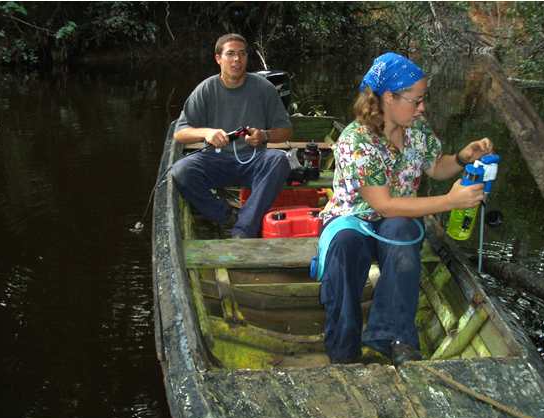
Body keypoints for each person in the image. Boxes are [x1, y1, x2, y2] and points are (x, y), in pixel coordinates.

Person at [317, 52, 494, 365]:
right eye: (417, 100)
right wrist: (450, 202)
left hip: (395, 221)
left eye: (423, 100)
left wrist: (462, 158)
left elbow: (436, 167)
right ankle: (343, 349)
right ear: (389, 97)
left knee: (402, 230)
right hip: (352, 219)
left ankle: (390, 338)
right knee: (344, 247)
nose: (422, 107)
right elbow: (383, 205)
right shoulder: (356, 140)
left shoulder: (417, 129)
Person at [171, 33, 292, 238]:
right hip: (216, 159)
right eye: (230, 54)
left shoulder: (264, 88)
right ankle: (227, 216)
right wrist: (207, 132)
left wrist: (264, 135)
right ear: (218, 58)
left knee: (279, 160)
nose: (237, 59)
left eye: (242, 54)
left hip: (254, 160)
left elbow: (286, 131)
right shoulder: (206, 89)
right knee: (181, 170)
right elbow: (180, 133)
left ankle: (243, 229)